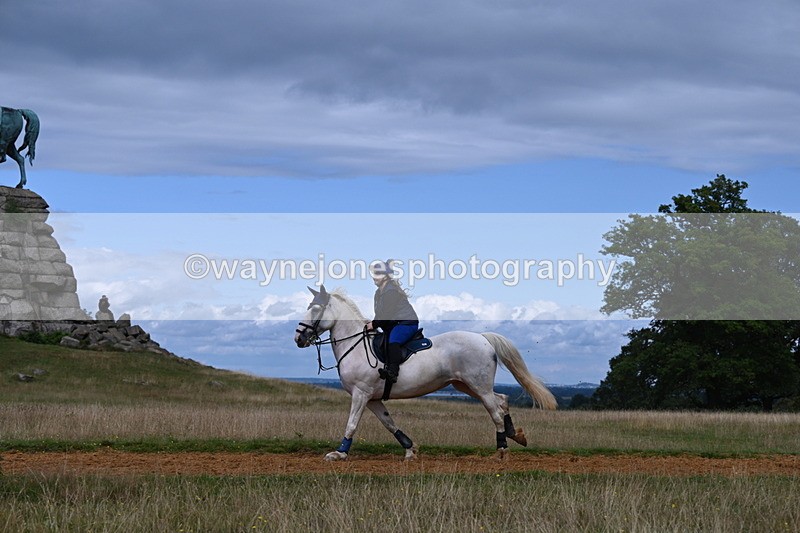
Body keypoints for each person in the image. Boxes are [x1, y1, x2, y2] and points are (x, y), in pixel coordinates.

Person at [365, 260, 419, 384]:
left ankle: (393, 372)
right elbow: (380, 314)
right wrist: (373, 322)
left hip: (406, 323)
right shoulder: (378, 293)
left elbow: (386, 314)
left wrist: (374, 324)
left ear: (385, 276)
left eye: (377, 274)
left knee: (393, 340)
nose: (374, 277)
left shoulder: (391, 290)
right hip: (394, 324)